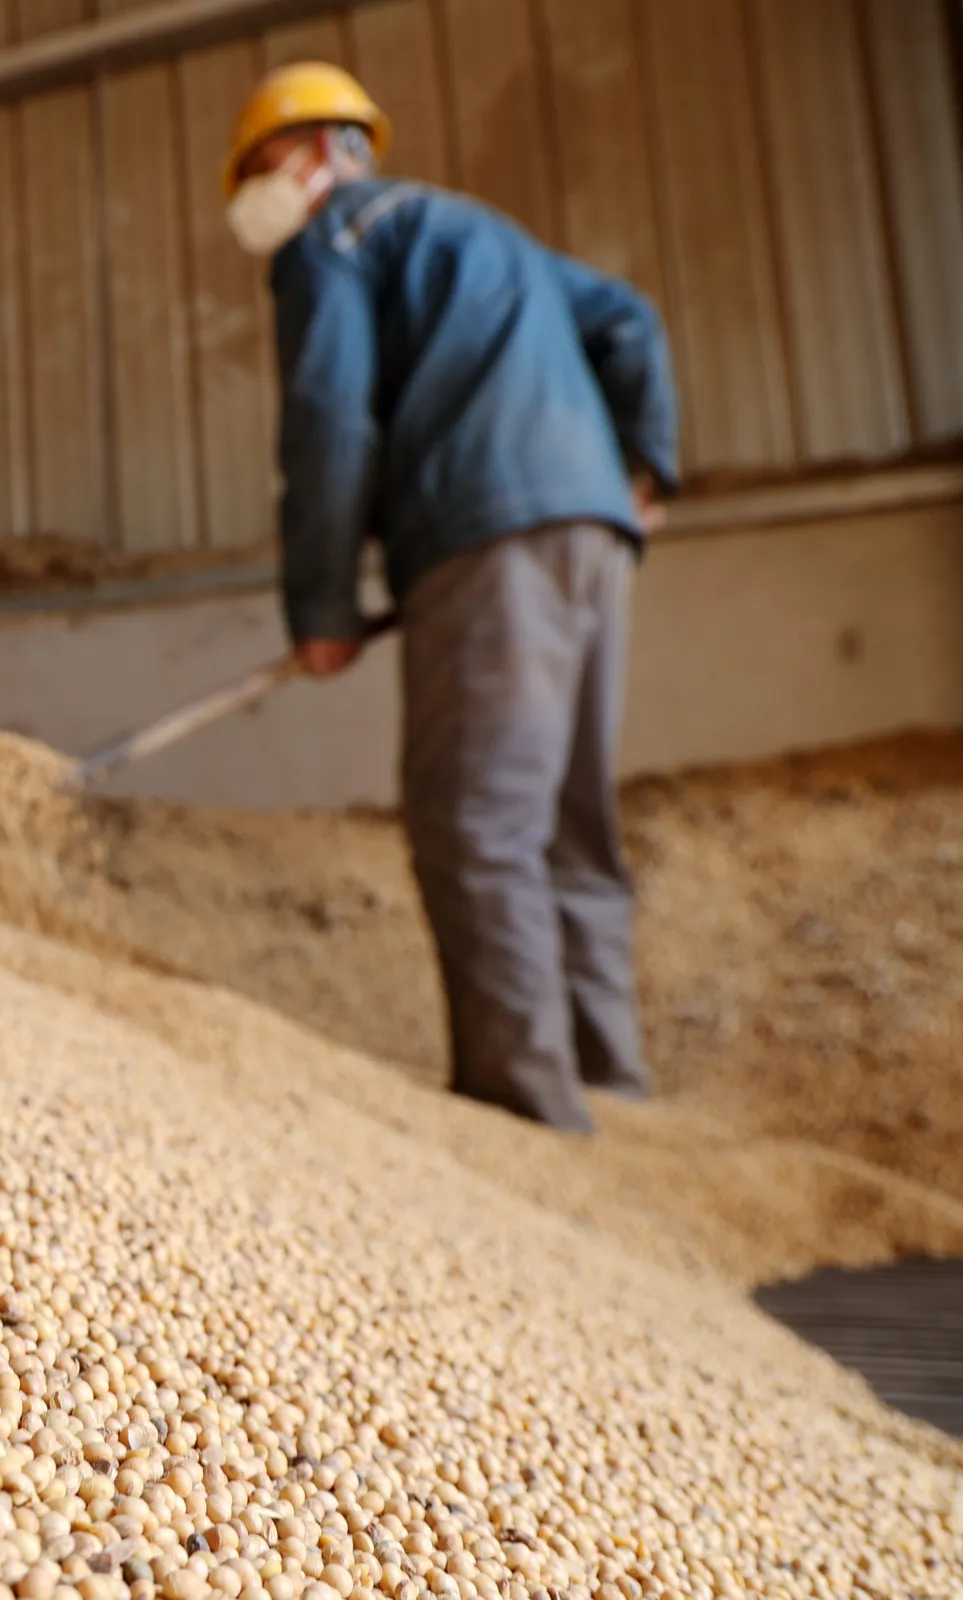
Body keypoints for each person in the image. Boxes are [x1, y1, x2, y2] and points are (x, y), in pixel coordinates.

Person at [220, 63, 681, 1135]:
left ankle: (529, 1121)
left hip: (487, 538)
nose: (255, 194)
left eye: (257, 170)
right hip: (593, 537)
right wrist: (642, 465)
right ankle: (618, 1097)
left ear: (312, 156)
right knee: (567, 820)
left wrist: (322, 604)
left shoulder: (330, 242)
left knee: (474, 821)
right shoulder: (481, 231)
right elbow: (630, 322)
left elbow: (331, 418)